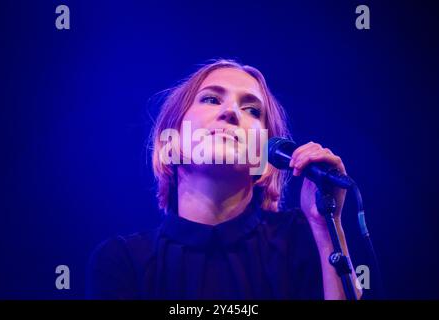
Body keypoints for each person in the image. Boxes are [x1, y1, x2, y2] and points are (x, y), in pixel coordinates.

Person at [86, 59, 362, 300]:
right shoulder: (123, 261)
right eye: (211, 99)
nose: (231, 112)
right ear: (171, 140)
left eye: (252, 110)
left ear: (265, 161)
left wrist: (325, 225)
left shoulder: (301, 239)